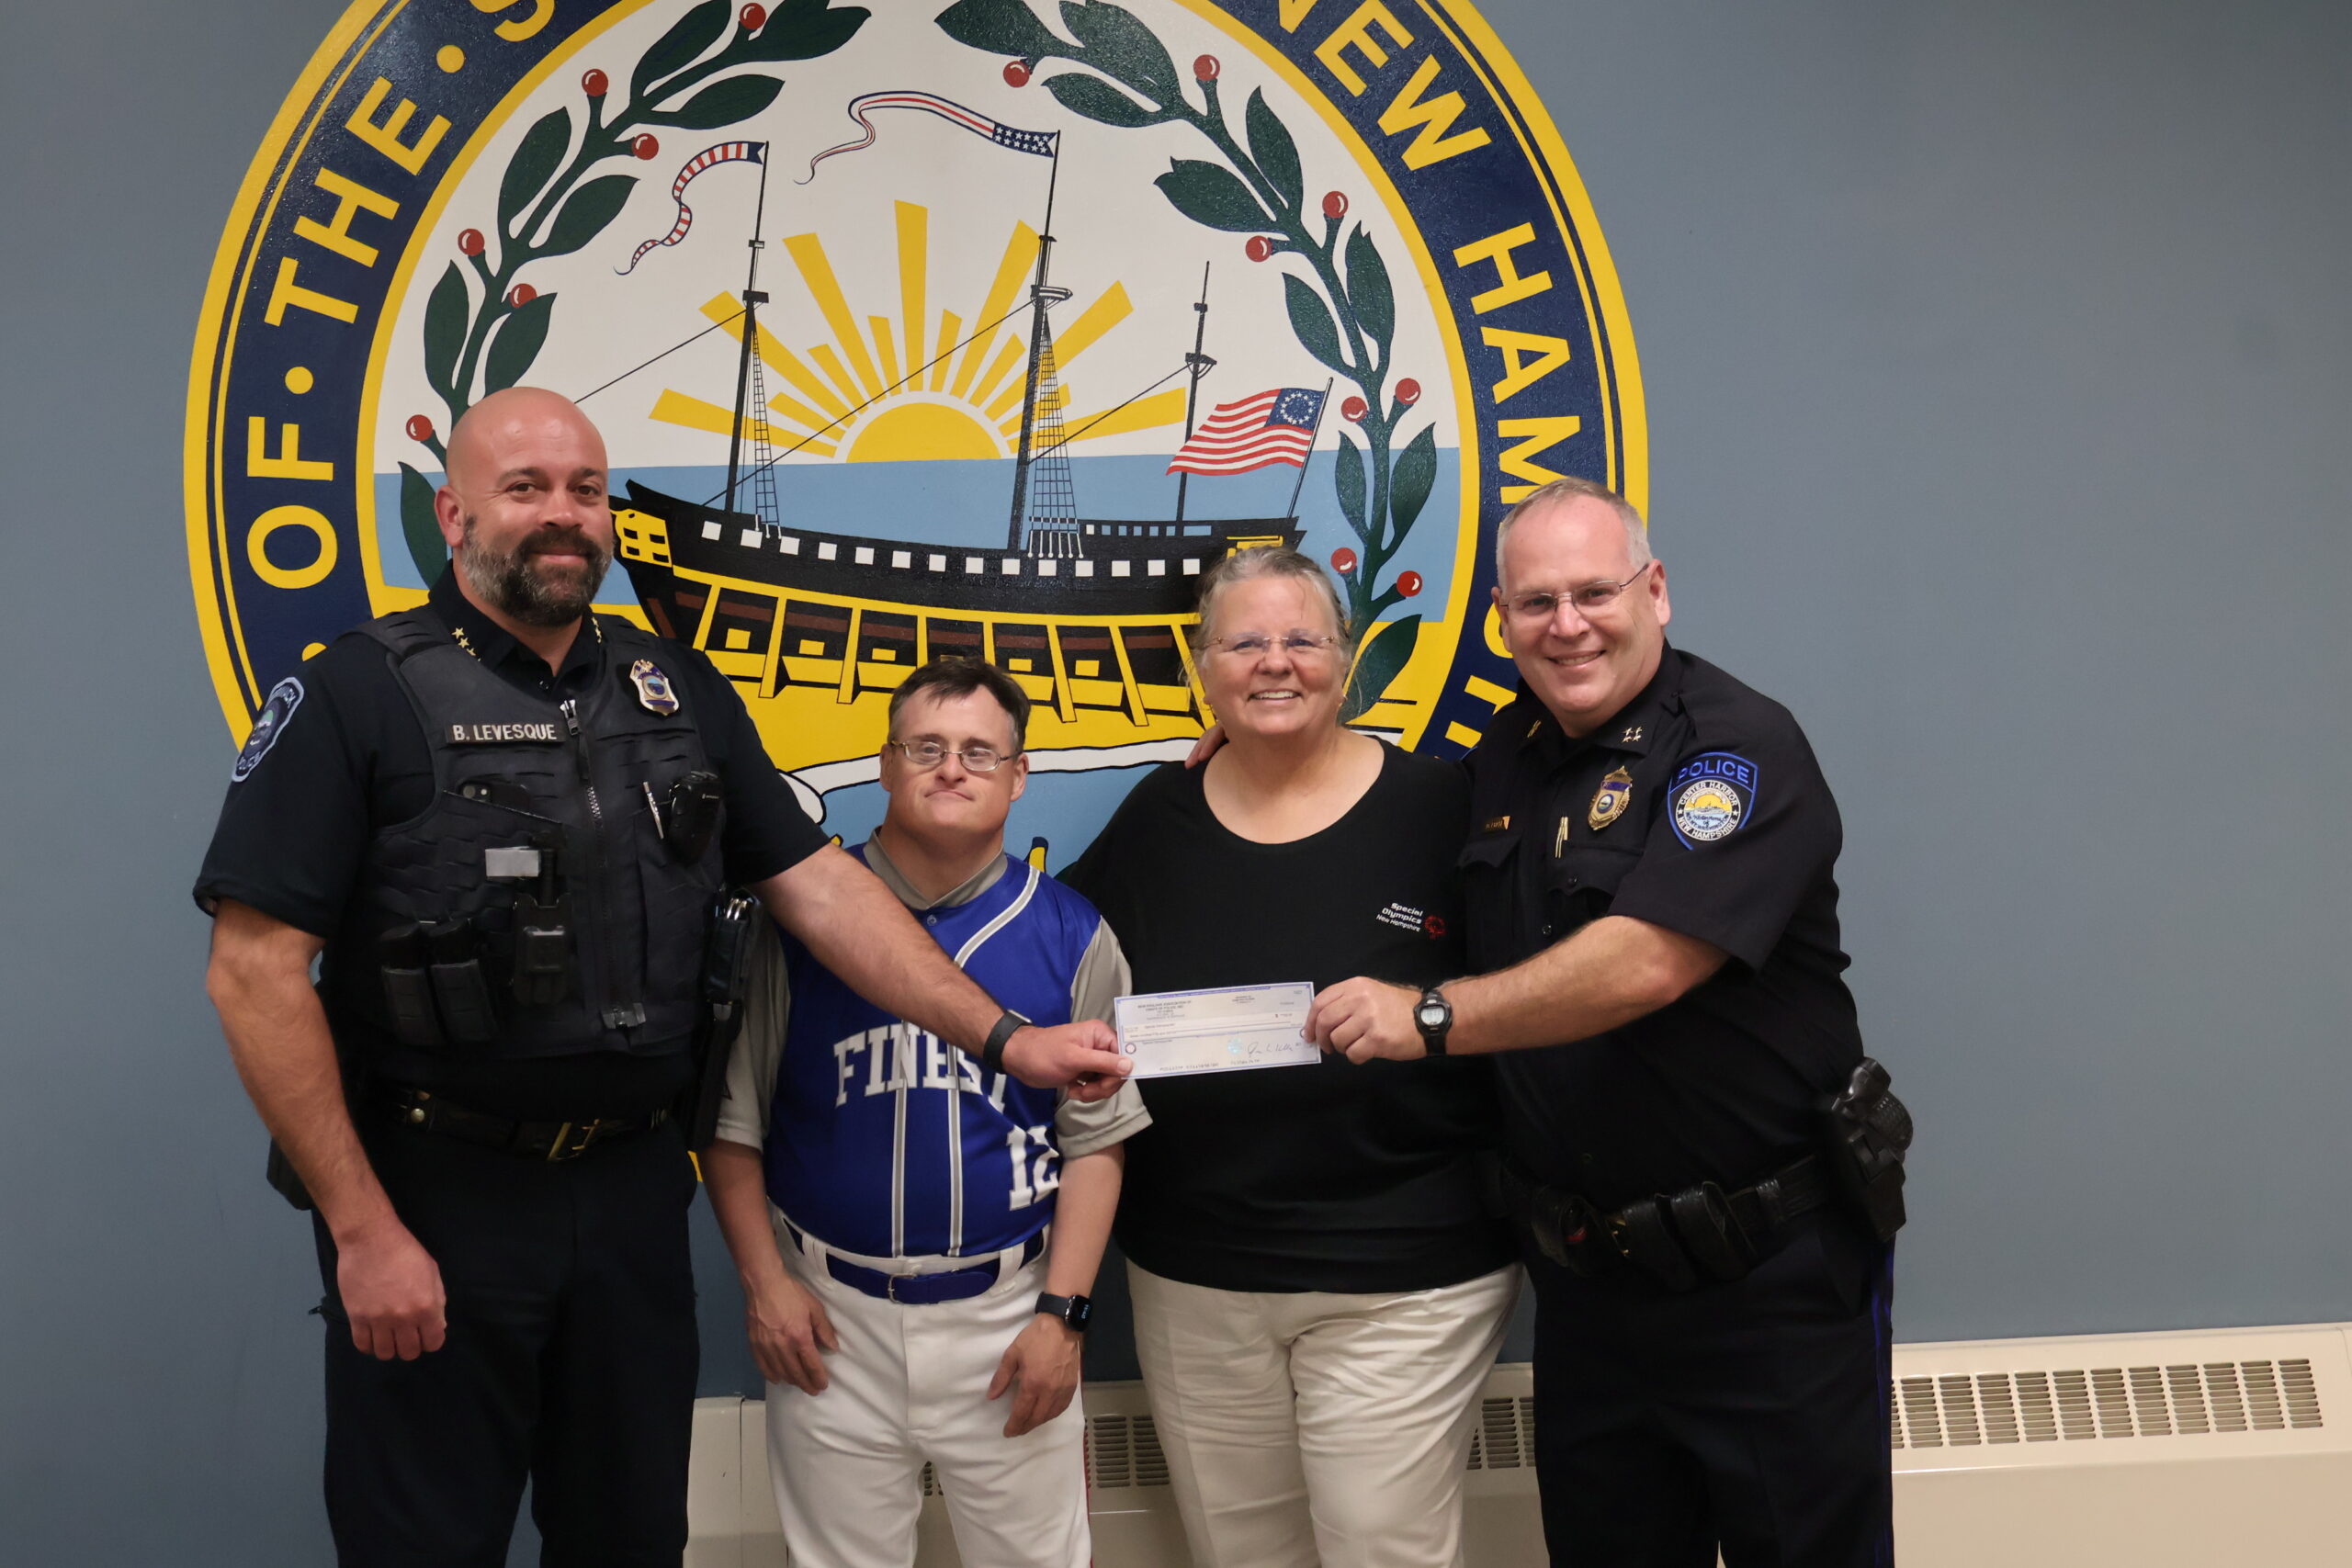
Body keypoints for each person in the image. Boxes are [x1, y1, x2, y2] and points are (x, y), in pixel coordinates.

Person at [194, 388, 1129, 1568]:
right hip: (437, 1195)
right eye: (524, 488)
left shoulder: (673, 690)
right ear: (452, 512)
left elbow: (822, 887)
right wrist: (362, 1228)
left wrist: (1004, 1038)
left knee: (631, 1535)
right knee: (423, 1540)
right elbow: (254, 972)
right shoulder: (358, 693)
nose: (562, 516)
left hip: (633, 1191)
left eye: (585, 490)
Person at [1309, 477, 1901, 1567]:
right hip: (1590, 1287)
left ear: (1656, 591)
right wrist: (1251, 760)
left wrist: (1428, 1019)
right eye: (1536, 602)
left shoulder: (1734, 747)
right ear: (1499, 620)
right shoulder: (1504, 759)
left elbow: (1644, 962)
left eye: (1594, 591)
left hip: (1765, 1279)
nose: (1567, 624)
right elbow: (1374, 836)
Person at [1063, 547, 1519, 1568]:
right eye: (1245, 642)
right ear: (1203, 668)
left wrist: (1426, 1009)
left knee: (1381, 1549)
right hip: (1197, 1275)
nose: (1275, 663)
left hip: (1405, 1273)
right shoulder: (1157, 816)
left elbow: (1530, 994)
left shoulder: (1440, 807)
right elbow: (1056, 955)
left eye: (1301, 639)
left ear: (1345, 662)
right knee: (1243, 1554)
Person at [702, 657, 1147, 1568]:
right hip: (829, 1314)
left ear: (1019, 776)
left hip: (1008, 1309)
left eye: (981, 752)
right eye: (927, 747)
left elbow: (1095, 1143)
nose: (952, 768)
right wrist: (765, 1286)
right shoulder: (793, 924)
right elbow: (731, 1127)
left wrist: (1063, 1315)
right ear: (884, 764)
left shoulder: (1072, 931)